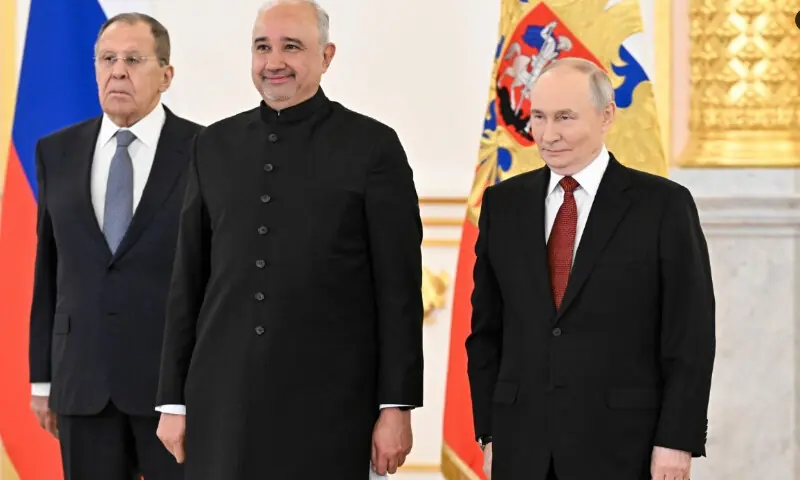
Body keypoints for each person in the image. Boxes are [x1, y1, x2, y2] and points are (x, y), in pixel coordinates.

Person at [154, 0, 424, 478]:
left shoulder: (373, 147)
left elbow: (398, 289)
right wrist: (173, 400)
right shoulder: (212, 146)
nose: (273, 61)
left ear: (326, 56)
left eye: (291, 47)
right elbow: (188, 280)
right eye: (262, 47)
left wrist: (395, 405)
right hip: (222, 401)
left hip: (331, 403)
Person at [466, 57, 716, 480]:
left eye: (565, 117)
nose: (548, 135)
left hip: (625, 447)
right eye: (539, 117)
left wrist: (677, 439)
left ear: (606, 116)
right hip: (521, 448)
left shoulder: (663, 205)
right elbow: (487, 332)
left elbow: (689, 334)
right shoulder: (502, 205)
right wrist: (491, 435)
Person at [28, 13, 202, 480]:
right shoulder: (56, 151)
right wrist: (42, 380)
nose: (118, 70)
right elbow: (49, 270)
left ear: (166, 75)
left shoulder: (206, 150)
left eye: (133, 59)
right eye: (107, 59)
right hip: (82, 384)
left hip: (174, 390)